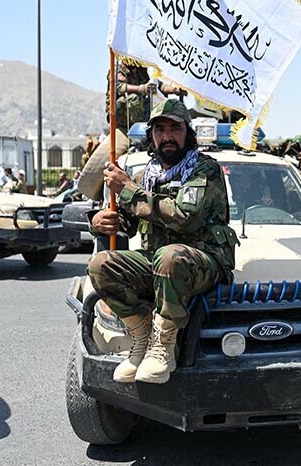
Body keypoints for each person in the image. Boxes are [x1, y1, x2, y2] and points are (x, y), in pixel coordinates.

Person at [87, 98, 237, 384]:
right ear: (152, 135)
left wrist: (128, 189)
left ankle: (163, 345)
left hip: (202, 262)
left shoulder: (204, 170)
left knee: (170, 256)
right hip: (159, 265)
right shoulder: (146, 176)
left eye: (174, 128)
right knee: (101, 264)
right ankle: (142, 336)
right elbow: (130, 225)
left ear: (187, 133)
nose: (167, 136)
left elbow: (184, 217)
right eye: (159, 129)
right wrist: (100, 221)